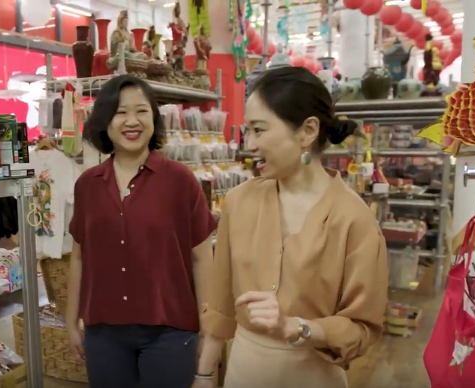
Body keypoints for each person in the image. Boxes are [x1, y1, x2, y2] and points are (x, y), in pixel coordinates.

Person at [194, 66, 388, 388]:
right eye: (247, 132)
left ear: (308, 130)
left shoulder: (353, 219)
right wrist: (203, 374)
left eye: (259, 130)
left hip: (314, 377)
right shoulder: (239, 202)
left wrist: (298, 327)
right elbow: (221, 305)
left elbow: (362, 328)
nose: (250, 145)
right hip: (242, 374)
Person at [66, 74, 217, 388]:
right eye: (120, 112)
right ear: (104, 120)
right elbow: (79, 258)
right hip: (104, 333)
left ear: (154, 118)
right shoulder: (88, 185)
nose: (131, 121)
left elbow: (203, 260)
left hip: (171, 333)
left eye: (141, 111)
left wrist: (209, 328)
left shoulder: (181, 181)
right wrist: (70, 321)